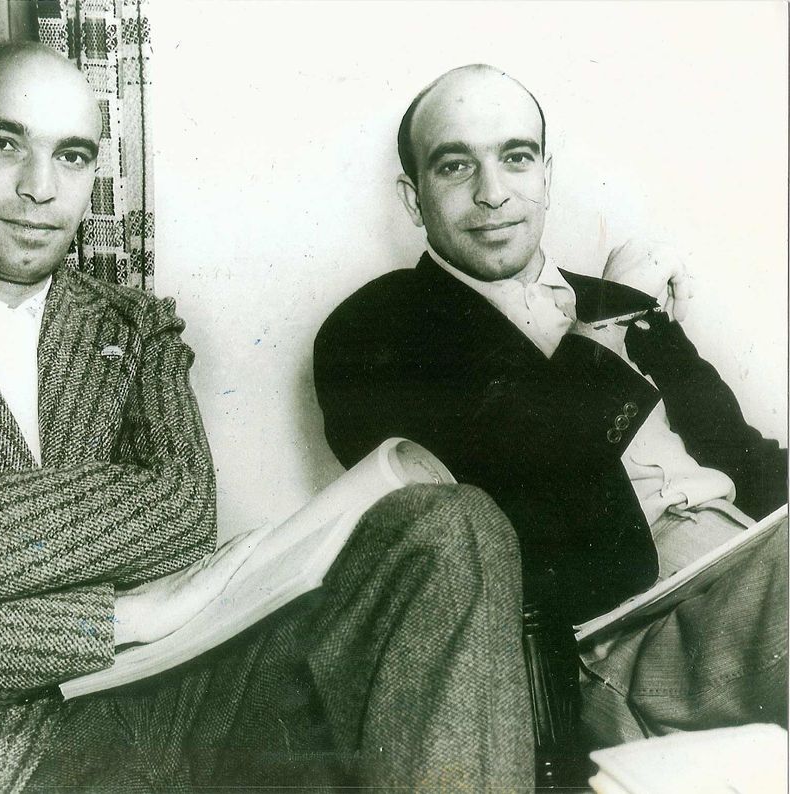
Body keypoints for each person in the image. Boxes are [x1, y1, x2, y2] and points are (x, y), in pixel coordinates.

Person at [0, 44, 535, 792]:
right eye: (5, 144)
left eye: (71, 156)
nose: (41, 188)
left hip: (178, 704)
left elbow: (179, 512)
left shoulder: (130, 326)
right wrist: (120, 615)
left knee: (451, 528)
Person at [314, 64, 788, 746]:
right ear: (414, 197)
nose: (493, 194)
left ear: (546, 175)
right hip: (619, 635)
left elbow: (750, 459)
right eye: (454, 166)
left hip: (752, 564)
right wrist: (599, 340)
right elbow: (520, 523)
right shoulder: (376, 331)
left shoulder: (613, 300)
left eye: (516, 158)